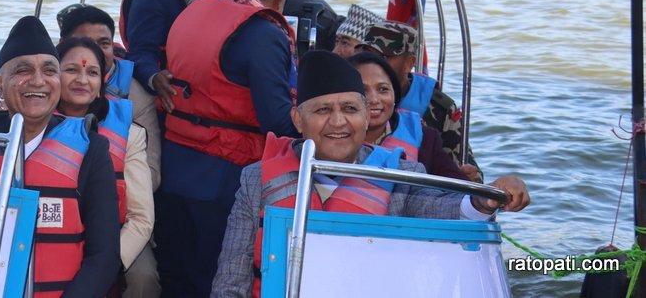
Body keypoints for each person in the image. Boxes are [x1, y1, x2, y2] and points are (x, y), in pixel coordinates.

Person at [211, 50, 530, 298]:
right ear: (298, 119)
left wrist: (485, 200)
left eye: (350, 109)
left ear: (367, 117)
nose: (338, 123)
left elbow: (445, 210)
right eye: (323, 110)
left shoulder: (402, 175)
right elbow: (230, 281)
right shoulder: (256, 179)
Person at [0, 16, 119, 298]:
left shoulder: (91, 149)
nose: (38, 81)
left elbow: (104, 256)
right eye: (23, 70)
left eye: (49, 70)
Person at [155, 0, 299, 297]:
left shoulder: (198, 9)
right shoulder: (265, 33)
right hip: (222, 178)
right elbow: (276, 120)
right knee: (213, 278)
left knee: (176, 277)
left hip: (172, 166)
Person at [56, 36, 159, 298]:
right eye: (71, 70)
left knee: (143, 279)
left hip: (117, 237)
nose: (82, 80)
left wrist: (104, 266)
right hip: (53, 239)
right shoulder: (34, 126)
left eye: (92, 72)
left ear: (102, 82)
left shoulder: (129, 134)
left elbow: (141, 219)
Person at [358, 22, 482, 179]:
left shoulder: (439, 109)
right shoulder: (344, 96)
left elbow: (467, 169)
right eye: (368, 54)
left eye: (384, 57)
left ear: (409, 63)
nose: (373, 63)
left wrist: (471, 176)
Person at [58, 3, 161, 190]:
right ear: (62, 43)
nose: (94, 50)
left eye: (103, 43)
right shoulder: (44, 85)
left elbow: (151, 175)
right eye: (85, 41)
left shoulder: (137, 97)